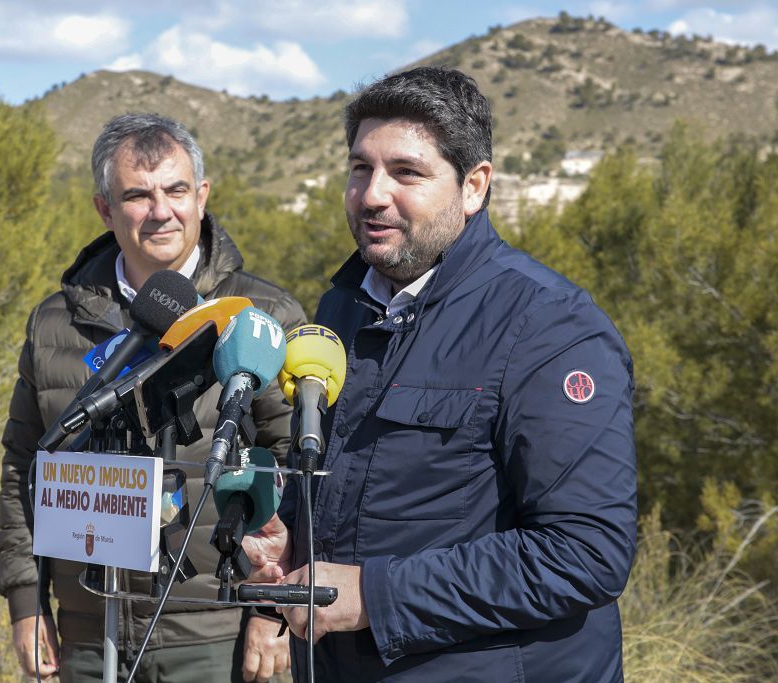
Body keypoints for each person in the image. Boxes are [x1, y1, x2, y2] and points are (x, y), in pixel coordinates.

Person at [243, 66, 638, 682]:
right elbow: (347, 476)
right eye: (360, 168)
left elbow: (585, 554)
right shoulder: (342, 307)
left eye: (406, 172)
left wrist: (375, 597)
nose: (373, 194)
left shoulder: (552, 327)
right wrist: (290, 533)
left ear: (475, 186)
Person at [0, 113, 305, 682]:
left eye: (176, 190)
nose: (161, 211)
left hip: (217, 631)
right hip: (89, 633)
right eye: (137, 195)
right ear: (105, 210)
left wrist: (274, 607)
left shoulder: (264, 316)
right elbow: (23, 468)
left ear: (203, 196)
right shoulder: (53, 324)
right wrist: (26, 600)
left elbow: (297, 471)